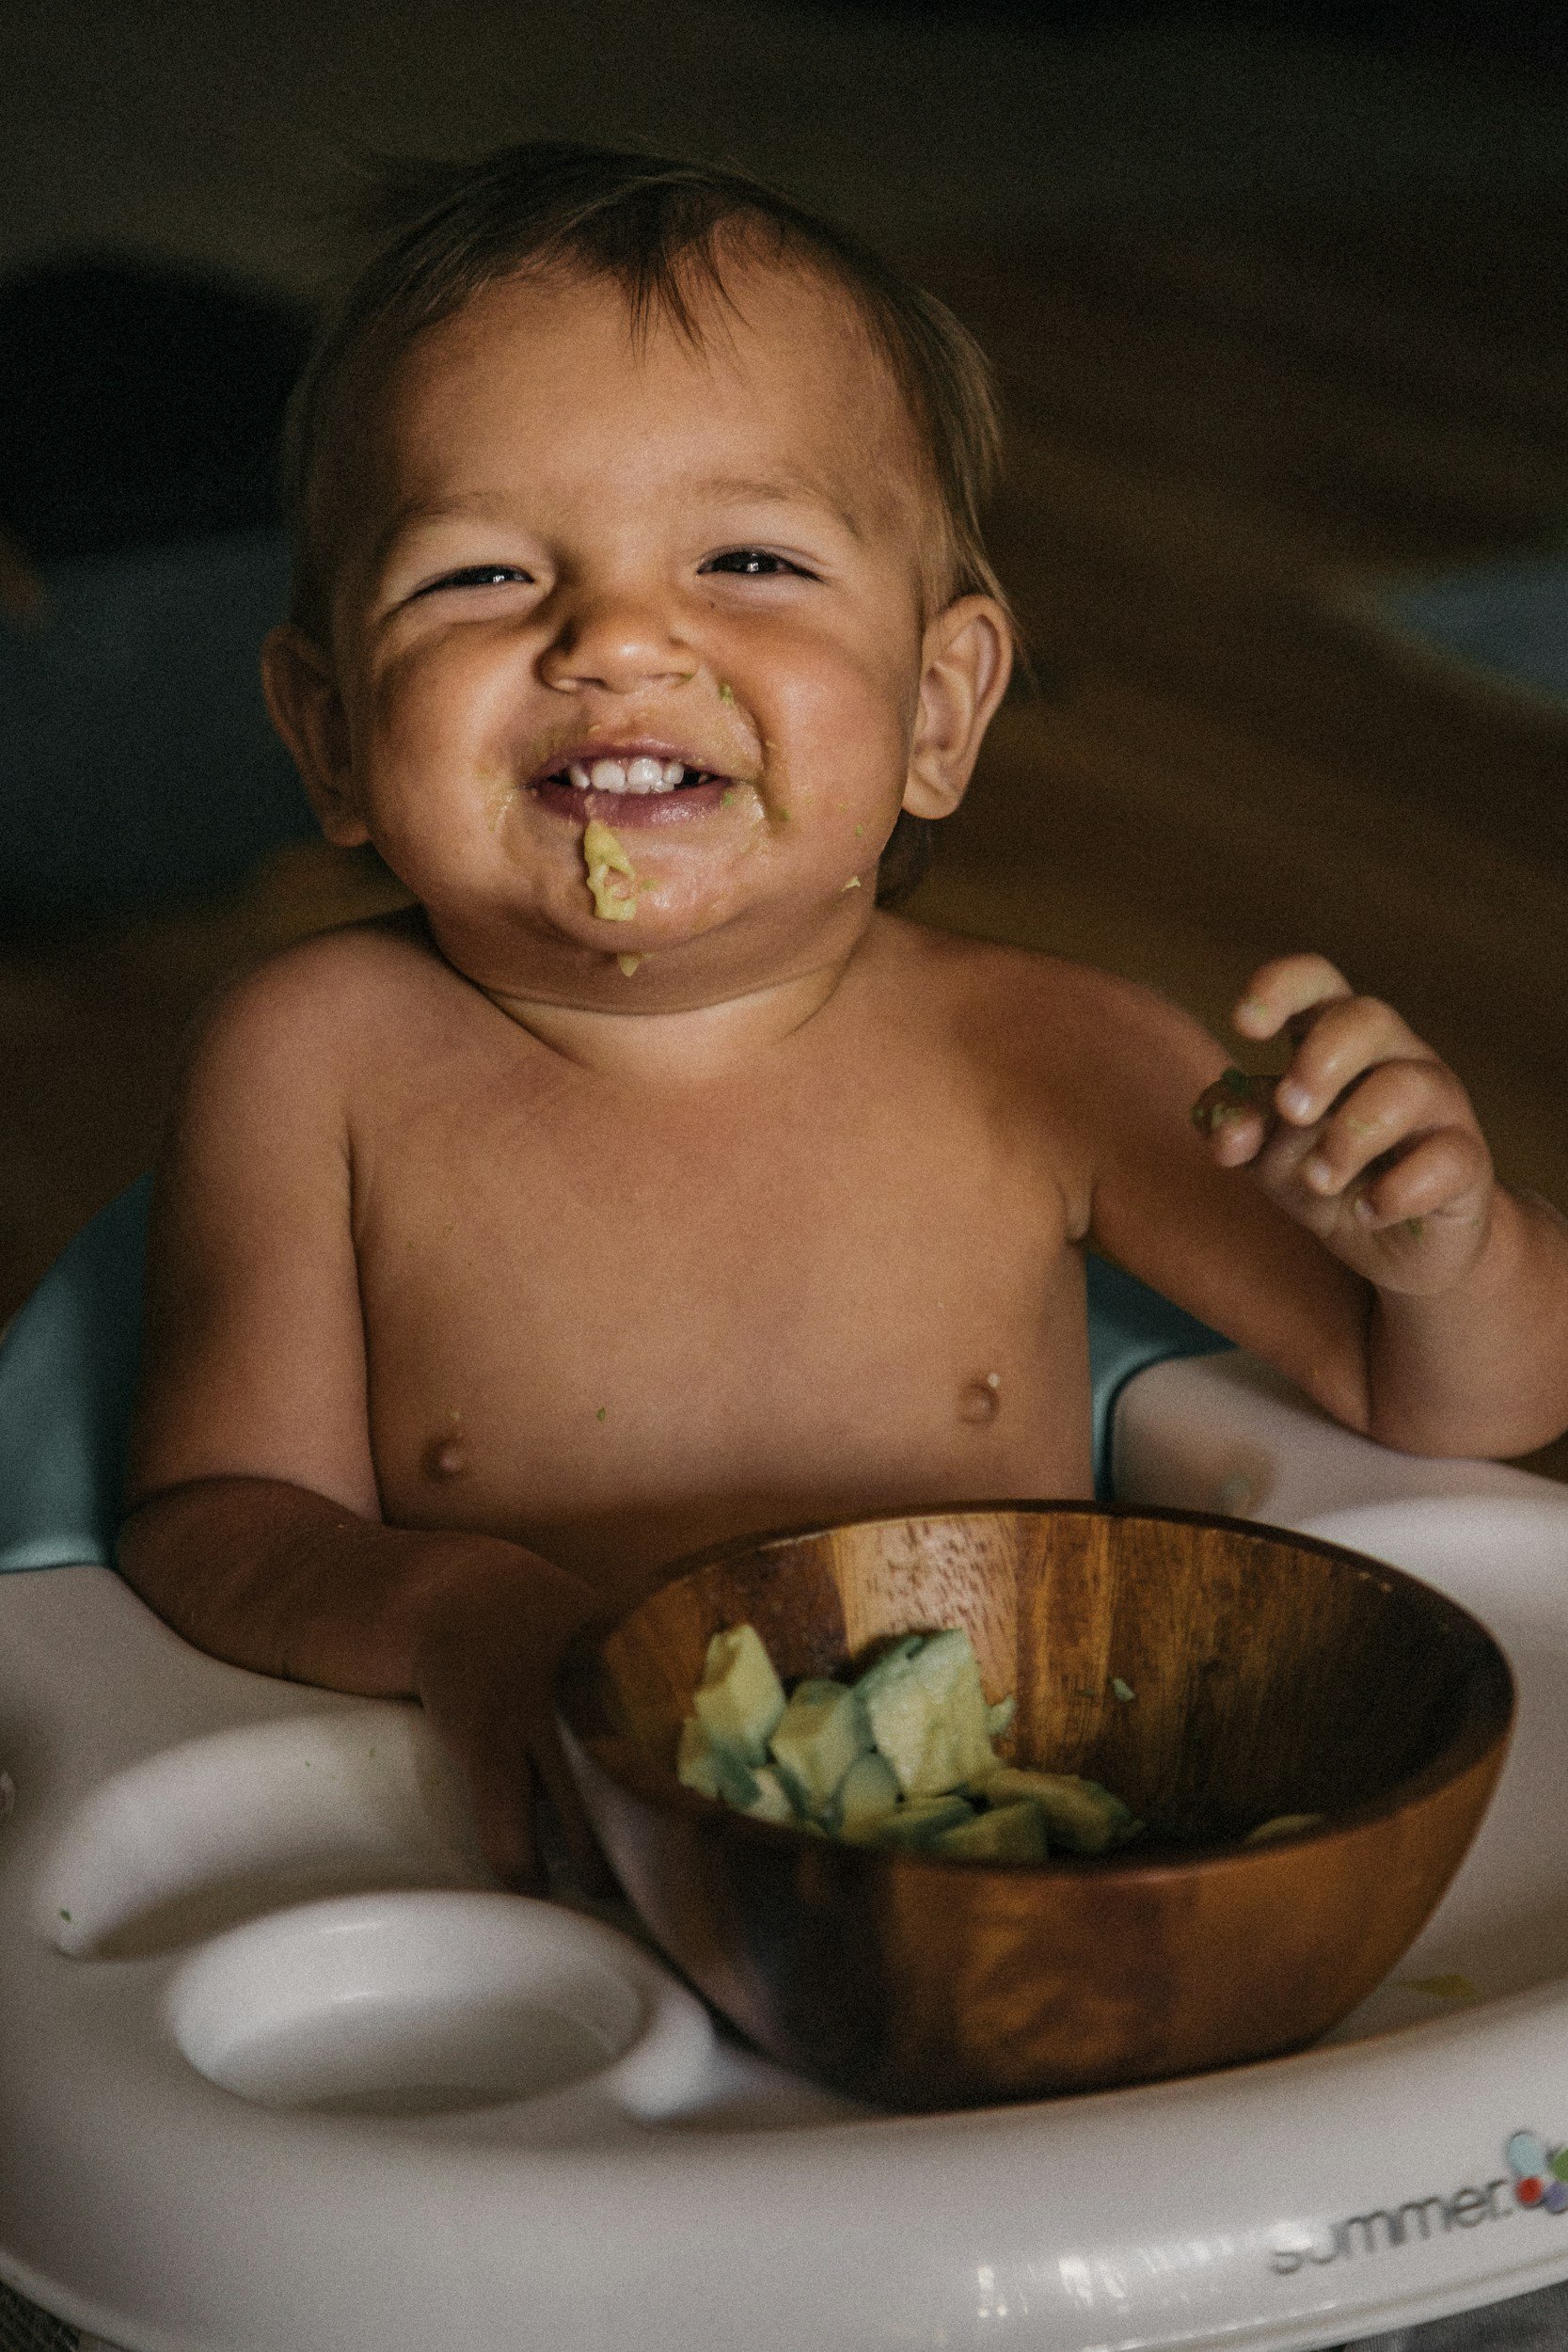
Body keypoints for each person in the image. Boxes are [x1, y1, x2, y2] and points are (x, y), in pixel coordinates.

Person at [117, 143, 1568, 1889]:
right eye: (482, 578)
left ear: (941, 708)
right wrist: (462, 1616)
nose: (622, 641)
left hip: (1019, 1869)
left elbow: (1460, 1407)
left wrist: (1442, 1250)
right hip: (543, 1862)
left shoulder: (1045, 1054)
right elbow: (216, 1522)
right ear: (332, 732)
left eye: (746, 558)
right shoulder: (314, 1057)